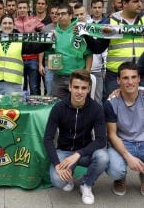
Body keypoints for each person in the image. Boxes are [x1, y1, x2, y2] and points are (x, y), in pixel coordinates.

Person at [44, 69, 108, 205]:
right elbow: (48, 138)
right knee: (57, 180)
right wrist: (56, 163)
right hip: (65, 152)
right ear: (70, 87)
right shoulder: (58, 108)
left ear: (89, 89)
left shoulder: (96, 109)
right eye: (76, 87)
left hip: (85, 151)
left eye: (84, 88)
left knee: (103, 157)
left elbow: (102, 139)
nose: (79, 91)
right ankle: (69, 176)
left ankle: (86, 184)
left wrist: (79, 153)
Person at [85, 0, 143, 100]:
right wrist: (85, 34)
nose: (140, 4)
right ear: (124, 3)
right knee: (114, 110)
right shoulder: (111, 22)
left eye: (141, 1)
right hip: (115, 75)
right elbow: (98, 48)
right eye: (136, 1)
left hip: (141, 74)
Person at [104, 62, 144, 196]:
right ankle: (120, 178)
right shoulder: (111, 102)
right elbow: (112, 135)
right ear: (118, 80)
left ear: (139, 79)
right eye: (125, 78)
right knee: (115, 168)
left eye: (133, 77)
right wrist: (128, 156)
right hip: (123, 142)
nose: (130, 82)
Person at [0, 14, 48, 95]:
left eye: (10, 23)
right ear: (0, 25)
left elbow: (36, 47)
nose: (7, 25)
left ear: (14, 25)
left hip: (13, 83)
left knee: (13, 107)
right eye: (4, 23)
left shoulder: (20, 40)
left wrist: (50, 41)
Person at [51, 4, 92, 99]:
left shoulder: (79, 31)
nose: (60, 16)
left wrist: (87, 73)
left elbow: (89, 54)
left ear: (70, 16)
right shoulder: (53, 33)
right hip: (59, 77)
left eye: (63, 13)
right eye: (58, 14)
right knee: (59, 107)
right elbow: (49, 54)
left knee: (79, 106)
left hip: (77, 77)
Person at [15, 0, 44, 95]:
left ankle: (35, 108)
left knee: (34, 87)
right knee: (21, 87)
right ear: (17, 9)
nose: (22, 10)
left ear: (28, 9)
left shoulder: (34, 21)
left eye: (24, 7)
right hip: (19, 59)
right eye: (20, 8)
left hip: (33, 59)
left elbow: (45, 31)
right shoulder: (14, 23)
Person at [89, 0, 108, 104]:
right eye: (95, 7)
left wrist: (105, 67)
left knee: (98, 99)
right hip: (85, 67)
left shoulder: (107, 23)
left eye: (99, 7)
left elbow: (106, 48)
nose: (97, 10)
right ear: (91, 8)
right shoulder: (86, 22)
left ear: (103, 8)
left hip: (98, 69)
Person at [39, 4, 59, 96]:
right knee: (49, 90)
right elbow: (41, 48)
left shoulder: (65, 27)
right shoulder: (45, 29)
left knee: (60, 91)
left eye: (57, 13)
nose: (55, 15)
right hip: (49, 63)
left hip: (63, 63)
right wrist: (40, 64)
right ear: (49, 15)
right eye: (52, 13)